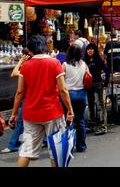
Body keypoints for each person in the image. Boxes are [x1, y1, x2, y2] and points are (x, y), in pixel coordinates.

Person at [9, 35, 74, 167]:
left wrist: (14, 114)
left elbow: (20, 92)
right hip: (52, 112)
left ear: (30, 50)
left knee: (26, 151)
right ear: (44, 46)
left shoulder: (26, 65)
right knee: (56, 151)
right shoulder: (54, 63)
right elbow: (63, 90)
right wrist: (70, 110)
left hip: (31, 113)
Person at [1, 50, 32, 154]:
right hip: (37, 98)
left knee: (20, 122)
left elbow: (13, 73)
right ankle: (45, 140)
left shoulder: (27, 67)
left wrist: (20, 61)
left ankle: (12, 145)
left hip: (28, 99)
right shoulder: (36, 66)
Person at [62, 44, 88, 152]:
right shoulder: (84, 64)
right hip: (81, 94)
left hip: (69, 95)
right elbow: (88, 77)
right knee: (80, 120)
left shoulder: (64, 65)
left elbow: (61, 82)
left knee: (68, 120)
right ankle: (81, 146)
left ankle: (69, 146)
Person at [84, 43, 108, 136]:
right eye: (88, 49)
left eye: (92, 49)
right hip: (88, 85)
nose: (90, 50)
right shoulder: (85, 60)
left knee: (100, 105)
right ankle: (91, 125)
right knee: (90, 105)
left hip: (98, 84)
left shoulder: (98, 60)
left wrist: (106, 82)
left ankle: (103, 127)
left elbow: (107, 71)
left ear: (95, 50)